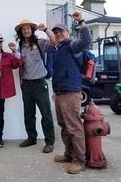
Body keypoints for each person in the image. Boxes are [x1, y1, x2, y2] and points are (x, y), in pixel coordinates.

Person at [52, 12, 91, 174]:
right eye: (56, 32)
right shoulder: (58, 48)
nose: (58, 34)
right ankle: (69, 154)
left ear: (67, 33)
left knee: (74, 127)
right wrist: (55, 92)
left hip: (71, 91)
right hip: (60, 92)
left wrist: (81, 21)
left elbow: (86, 40)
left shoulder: (72, 45)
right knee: (63, 125)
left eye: (61, 31)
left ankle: (79, 159)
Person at [12, 20, 56, 153]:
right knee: (29, 114)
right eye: (23, 29)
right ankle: (32, 138)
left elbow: (54, 42)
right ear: (21, 32)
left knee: (46, 114)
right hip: (26, 84)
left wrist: (46, 30)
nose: (26, 31)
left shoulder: (40, 43)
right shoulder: (20, 47)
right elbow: (20, 66)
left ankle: (49, 142)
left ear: (32, 30)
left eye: (28, 28)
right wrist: (21, 82)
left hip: (40, 84)